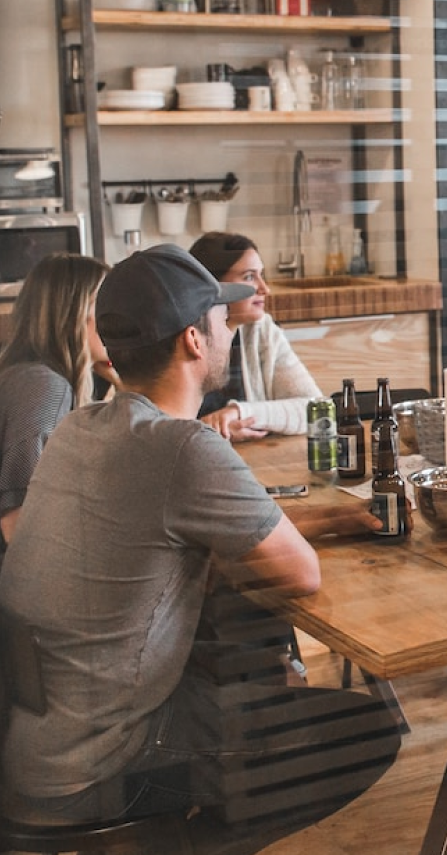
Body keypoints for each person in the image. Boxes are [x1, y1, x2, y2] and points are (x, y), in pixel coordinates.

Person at [0, 244, 400, 849]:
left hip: (42, 742)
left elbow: (160, 540)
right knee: (366, 732)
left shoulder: (82, 427)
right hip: (106, 762)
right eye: (220, 317)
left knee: (246, 677)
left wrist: (330, 521)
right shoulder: (184, 447)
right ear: (193, 339)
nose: (229, 328)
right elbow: (300, 574)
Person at [0, 252, 112, 551]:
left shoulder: (30, 375)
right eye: (106, 305)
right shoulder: (43, 387)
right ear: (74, 313)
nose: (118, 318)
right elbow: (19, 523)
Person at [189, 232, 324, 440]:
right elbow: (160, 428)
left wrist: (239, 413)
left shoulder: (262, 331)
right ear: (214, 285)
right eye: (249, 277)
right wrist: (214, 431)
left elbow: (315, 408)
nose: (265, 289)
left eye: (262, 275)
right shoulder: (182, 338)